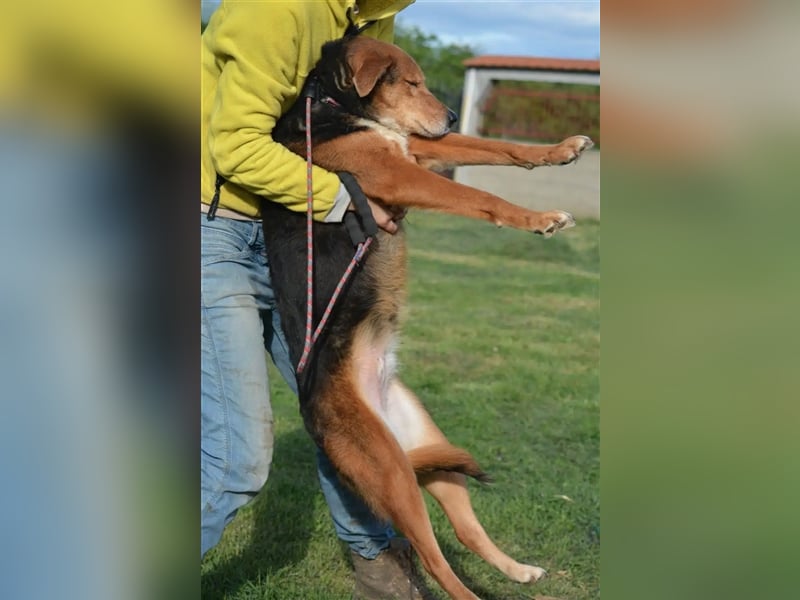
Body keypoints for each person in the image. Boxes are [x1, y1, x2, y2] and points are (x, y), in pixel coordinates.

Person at [200, 2, 425, 598]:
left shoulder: (373, 16)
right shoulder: (276, 10)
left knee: (351, 411)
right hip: (211, 229)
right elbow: (236, 147)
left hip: (293, 229)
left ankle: (380, 566)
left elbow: (357, 125)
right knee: (238, 459)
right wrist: (349, 197)